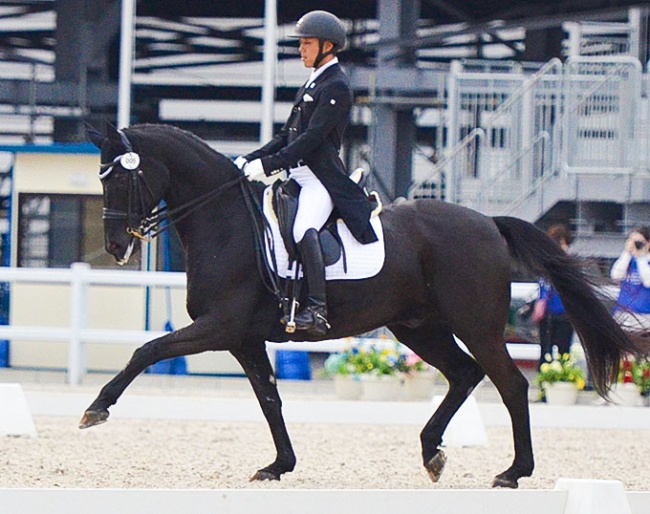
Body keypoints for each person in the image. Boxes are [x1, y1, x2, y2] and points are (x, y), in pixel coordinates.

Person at [234, 10, 377, 336]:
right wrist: (250, 159)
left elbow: (312, 139)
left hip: (320, 180)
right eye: (301, 43)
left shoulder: (337, 85)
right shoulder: (313, 82)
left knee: (302, 229)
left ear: (328, 45)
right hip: (297, 177)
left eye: (307, 43)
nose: (301, 49)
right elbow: (286, 135)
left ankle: (317, 309)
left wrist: (270, 165)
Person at [532, 224, 575, 369]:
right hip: (548, 312)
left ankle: (561, 379)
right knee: (545, 350)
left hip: (565, 312)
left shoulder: (571, 262)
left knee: (564, 351)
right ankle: (545, 381)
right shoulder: (546, 262)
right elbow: (543, 284)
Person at [610, 226, 650, 326]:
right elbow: (616, 276)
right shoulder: (628, 260)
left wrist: (641, 257)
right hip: (622, 313)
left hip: (644, 317)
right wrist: (626, 254)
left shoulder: (646, 262)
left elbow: (648, 281)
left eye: (638, 242)